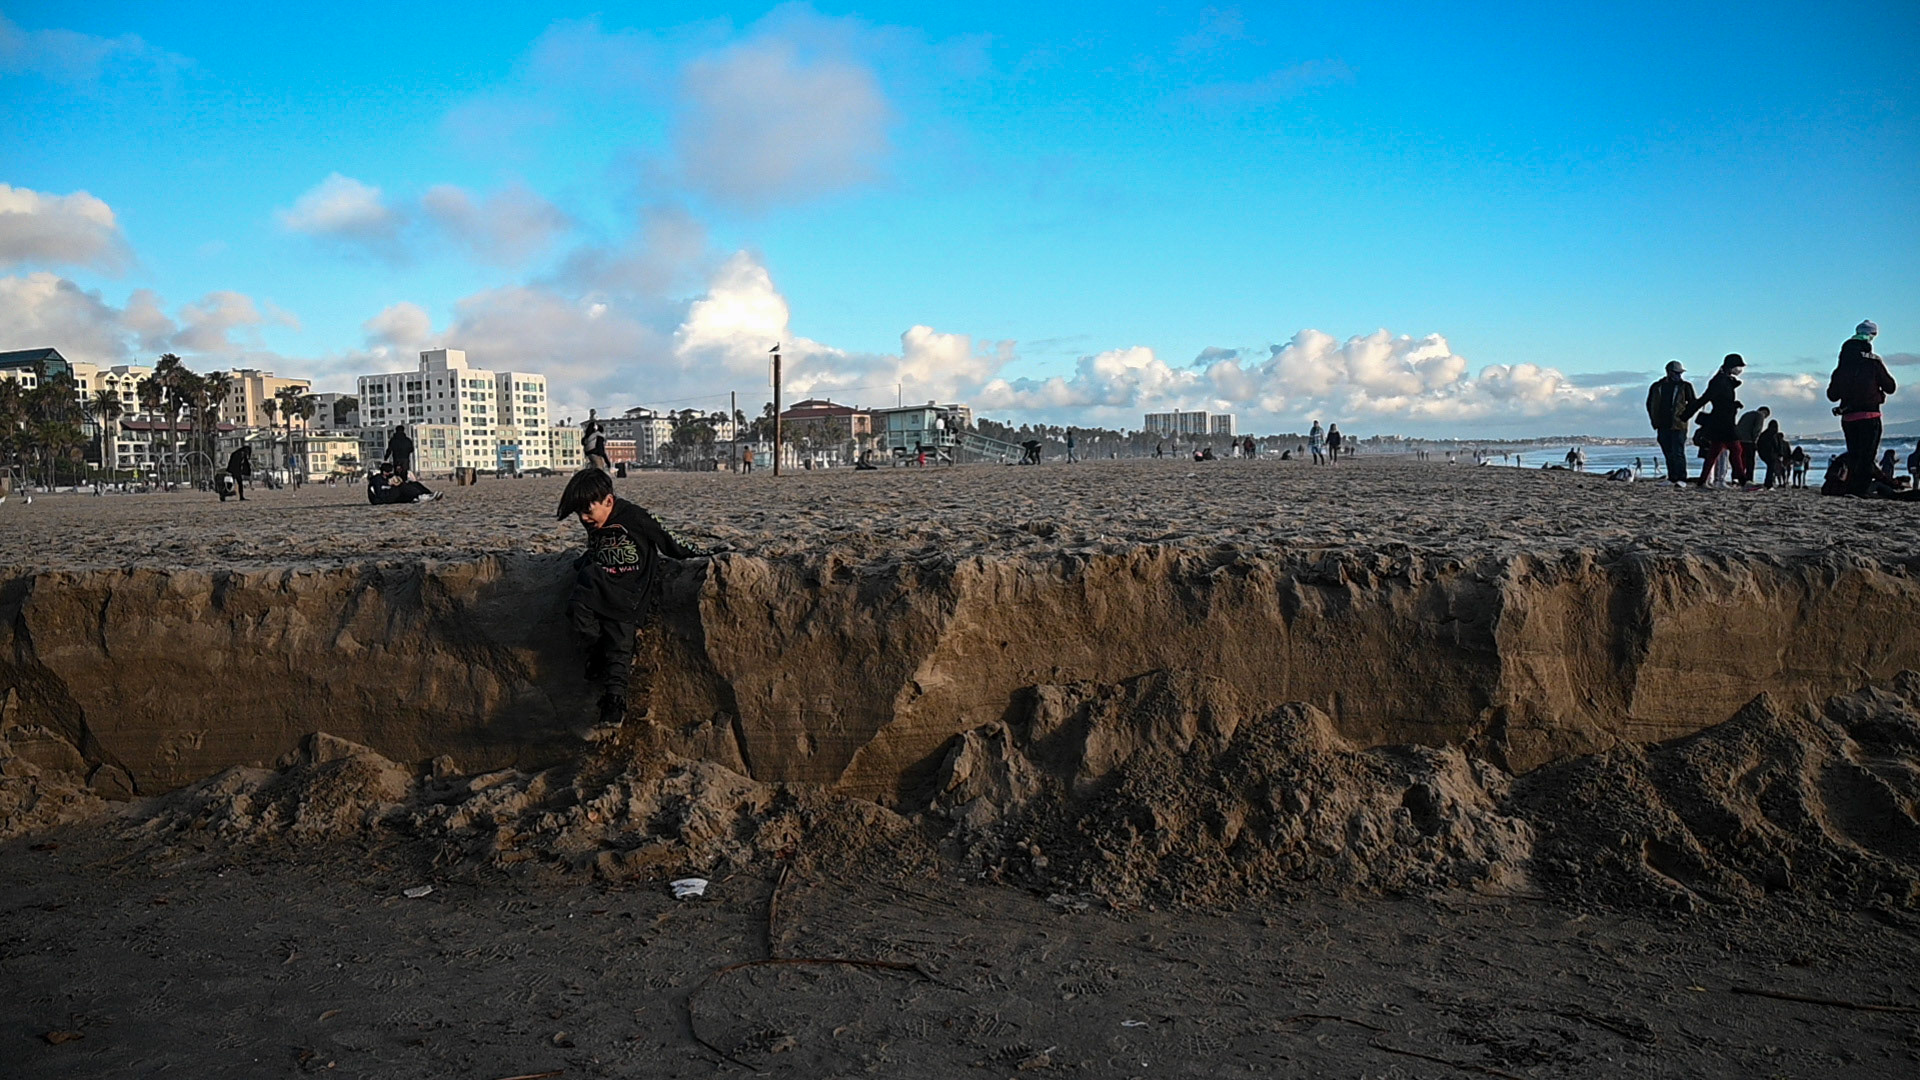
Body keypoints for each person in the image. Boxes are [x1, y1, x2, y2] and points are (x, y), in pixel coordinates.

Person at [555, 467, 709, 728]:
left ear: (608, 501)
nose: (584, 518)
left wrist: (699, 553)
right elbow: (597, 549)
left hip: (629, 590)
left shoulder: (635, 517)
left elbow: (668, 540)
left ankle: (614, 704)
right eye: (578, 514)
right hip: (599, 584)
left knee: (619, 640)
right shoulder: (594, 522)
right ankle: (597, 652)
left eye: (588, 511)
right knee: (578, 610)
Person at [1828, 320, 1895, 497]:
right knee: (1867, 456)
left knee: (1855, 453)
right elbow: (1890, 386)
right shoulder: (1873, 363)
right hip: (1870, 415)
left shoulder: (1841, 367)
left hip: (1848, 417)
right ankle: (1860, 490)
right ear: (1871, 337)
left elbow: (1832, 395)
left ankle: (1851, 487)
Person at [1694, 354, 1746, 487]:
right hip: (1724, 422)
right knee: (1736, 450)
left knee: (1714, 452)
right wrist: (1686, 413)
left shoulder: (1723, 380)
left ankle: (1702, 481)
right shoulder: (1720, 381)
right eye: (1738, 366)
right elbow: (1708, 399)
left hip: (1721, 421)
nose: (1740, 369)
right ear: (1731, 366)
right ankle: (1743, 481)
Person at [367, 461, 442, 504]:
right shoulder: (376, 480)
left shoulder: (388, 477)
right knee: (401, 487)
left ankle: (428, 494)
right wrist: (392, 486)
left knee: (412, 483)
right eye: (388, 472)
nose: (390, 473)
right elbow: (379, 493)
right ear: (384, 472)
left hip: (391, 496)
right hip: (381, 500)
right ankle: (420, 496)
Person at [1734, 406, 1770, 486]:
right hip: (1749, 441)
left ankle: (1737, 477)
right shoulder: (1760, 415)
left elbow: (1738, 426)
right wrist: (1755, 441)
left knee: (1740, 459)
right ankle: (1749, 478)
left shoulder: (1747, 414)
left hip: (1739, 439)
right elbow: (1757, 429)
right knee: (1750, 461)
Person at [1756, 420, 1790, 489]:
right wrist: (1780, 454)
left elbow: (1759, 444)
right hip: (1771, 454)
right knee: (1771, 468)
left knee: (1770, 468)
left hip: (1765, 454)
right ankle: (1769, 483)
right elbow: (1778, 446)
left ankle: (1768, 482)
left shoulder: (1764, 434)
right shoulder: (1775, 435)